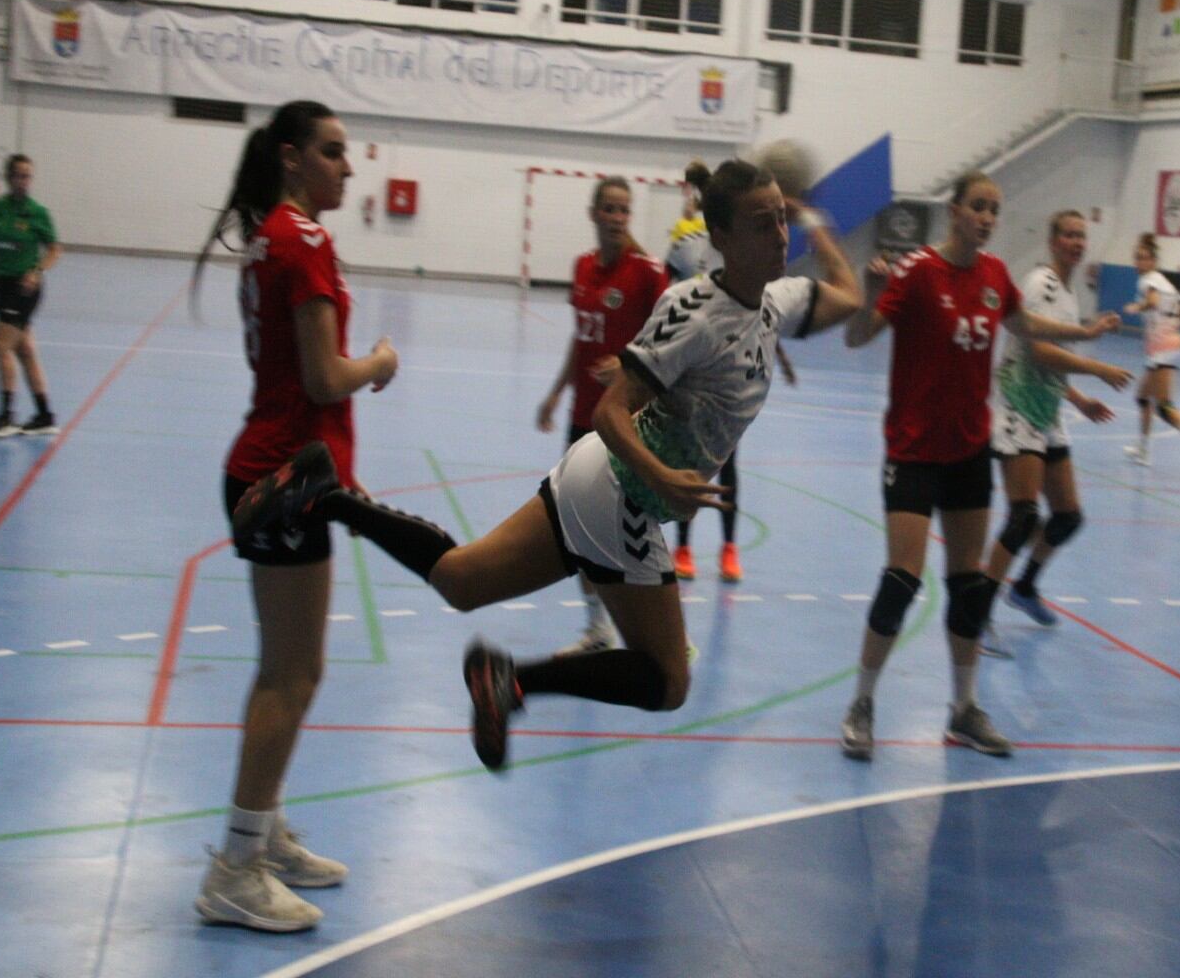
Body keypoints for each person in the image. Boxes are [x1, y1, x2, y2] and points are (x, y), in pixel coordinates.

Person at [233, 159, 861, 779]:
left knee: (461, 581)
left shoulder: (777, 301)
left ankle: (329, 493)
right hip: (624, 493)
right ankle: (514, 682)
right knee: (668, 681)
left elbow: (851, 297)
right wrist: (662, 477)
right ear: (720, 237)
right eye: (762, 223)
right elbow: (612, 413)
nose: (779, 236)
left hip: (599, 484)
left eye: (781, 220)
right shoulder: (696, 309)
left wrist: (817, 224)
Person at [191, 101, 401, 932]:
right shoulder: (302, 240)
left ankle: (263, 829)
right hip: (284, 477)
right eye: (333, 152)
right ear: (291, 158)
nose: (348, 167)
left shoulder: (273, 237)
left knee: (286, 666)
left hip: (281, 473)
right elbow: (322, 378)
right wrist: (379, 362)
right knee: (294, 674)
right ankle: (235, 870)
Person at [838, 176, 1118, 761]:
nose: (988, 217)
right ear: (954, 212)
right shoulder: (916, 271)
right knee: (903, 578)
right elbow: (857, 338)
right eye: (979, 207)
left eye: (995, 208)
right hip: (913, 450)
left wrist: (1086, 334)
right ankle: (862, 702)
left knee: (968, 586)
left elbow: (1027, 328)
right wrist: (869, 293)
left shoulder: (994, 276)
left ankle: (963, 710)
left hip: (968, 451)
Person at [536, 177, 668, 656]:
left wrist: (630, 363)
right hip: (581, 417)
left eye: (623, 210)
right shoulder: (583, 268)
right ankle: (598, 630)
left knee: (630, 528)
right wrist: (555, 394)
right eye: (608, 209)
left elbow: (672, 341)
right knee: (578, 520)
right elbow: (580, 337)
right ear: (593, 214)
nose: (616, 217)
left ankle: (663, 633)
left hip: (629, 421)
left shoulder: (648, 273)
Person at [985, 210, 1132, 637]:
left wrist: (1079, 399)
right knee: (1024, 517)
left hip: (1047, 414)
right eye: (1068, 235)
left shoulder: (1069, 296)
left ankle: (1025, 586)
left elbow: (1051, 362)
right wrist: (1095, 368)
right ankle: (978, 612)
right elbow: (1038, 352)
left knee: (1067, 516)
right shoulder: (1041, 284)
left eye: (1081, 236)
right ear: (1052, 242)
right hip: (1018, 410)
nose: (1075, 242)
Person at [663, 161, 741, 581]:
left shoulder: (738, 246)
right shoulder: (685, 242)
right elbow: (667, 293)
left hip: (730, 367)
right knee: (689, 458)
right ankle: (684, 549)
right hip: (690, 368)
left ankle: (729, 548)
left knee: (728, 459)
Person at [0, 154, 62, 437]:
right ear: (9, 177)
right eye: (19, 175)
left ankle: (6, 416)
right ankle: (44, 414)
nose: (24, 181)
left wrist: (37, 270)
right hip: (3, 286)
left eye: (28, 176)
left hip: (25, 289)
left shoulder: (36, 212)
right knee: (25, 351)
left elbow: (54, 250)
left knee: (0, 344)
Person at [1122, 233, 1180, 468]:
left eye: (1144, 258)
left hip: (1163, 348)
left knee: (1164, 405)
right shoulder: (1165, 281)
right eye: (1137, 258)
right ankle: (1143, 450)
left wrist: (1137, 306)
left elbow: (1153, 301)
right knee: (1142, 397)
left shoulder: (1148, 280)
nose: (1139, 262)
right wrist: (1172, 326)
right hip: (1170, 345)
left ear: (1153, 261)